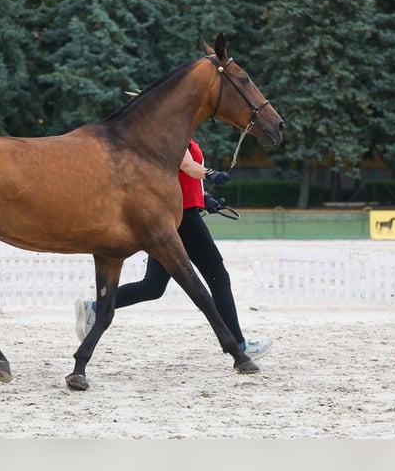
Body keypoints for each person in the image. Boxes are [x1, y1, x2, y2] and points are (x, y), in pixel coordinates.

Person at [74, 138, 273, 361]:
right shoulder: (176, 136)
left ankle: (94, 307)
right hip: (183, 218)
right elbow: (187, 166)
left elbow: (180, 175)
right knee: (217, 276)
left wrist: (204, 198)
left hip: (179, 213)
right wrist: (211, 173)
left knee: (153, 286)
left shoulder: (181, 134)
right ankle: (239, 344)